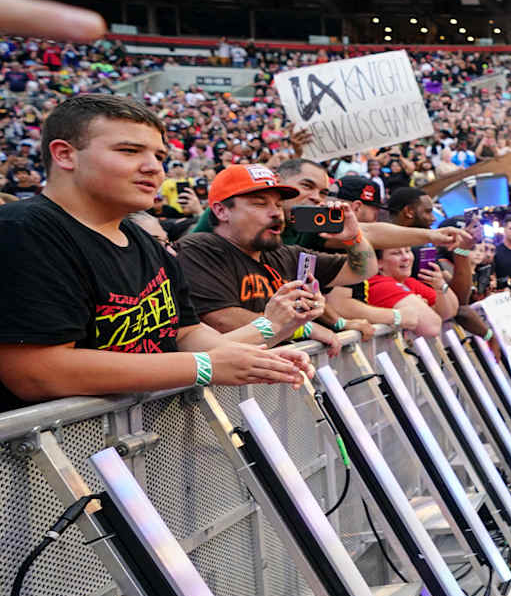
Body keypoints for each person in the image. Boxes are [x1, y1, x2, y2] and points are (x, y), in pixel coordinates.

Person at [0, 95, 312, 411]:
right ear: (65, 155)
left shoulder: (144, 240)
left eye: (159, 155)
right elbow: (36, 372)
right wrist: (204, 366)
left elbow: (186, 332)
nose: (153, 168)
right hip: (53, 452)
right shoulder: (22, 231)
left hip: (140, 445)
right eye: (129, 151)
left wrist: (258, 359)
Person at [175, 165, 376, 355]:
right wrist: (301, 328)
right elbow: (221, 319)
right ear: (221, 211)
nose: (276, 213)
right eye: (260, 203)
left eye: (278, 205)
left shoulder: (285, 253)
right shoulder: (198, 249)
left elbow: (361, 271)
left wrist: (354, 238)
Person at [362, 246, 458, 338]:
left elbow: (450, 312)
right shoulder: (380, 285)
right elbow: (432, 327)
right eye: (396, 253)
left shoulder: (408, 281)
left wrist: (440, 286)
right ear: (378, 263)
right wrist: (425, 307)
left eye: (408, 251)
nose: (406, 257)